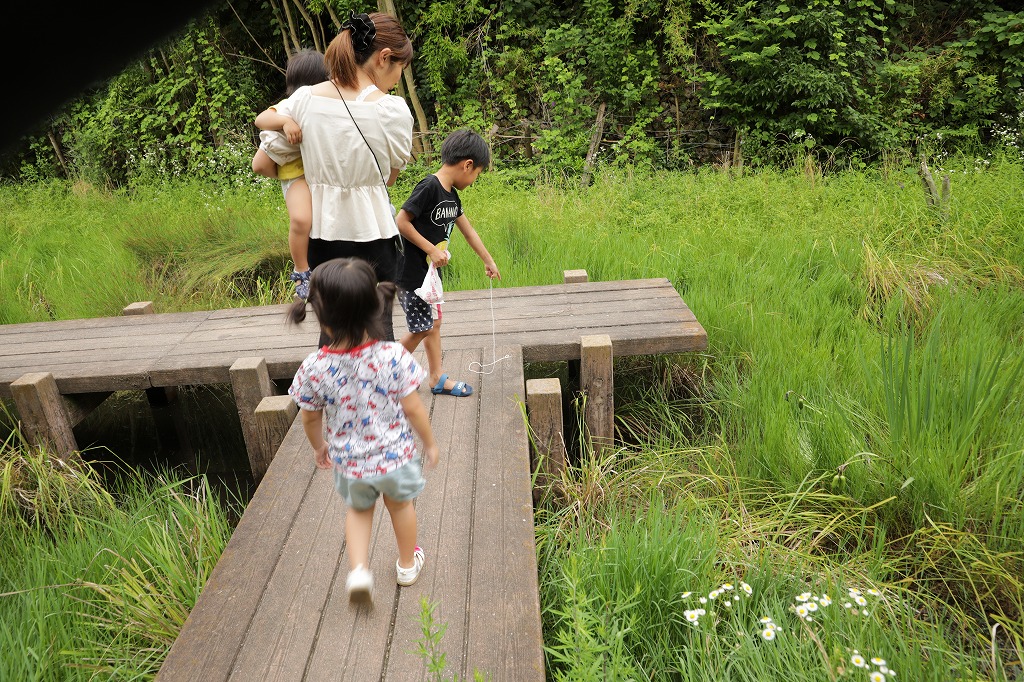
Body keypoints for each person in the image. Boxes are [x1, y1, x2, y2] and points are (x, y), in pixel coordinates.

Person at [286, 257, 439, 606]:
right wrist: (429, 443)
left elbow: (310, 418)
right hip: (396, 458)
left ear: (321, 316)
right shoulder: (393, 355)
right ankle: (406, 565)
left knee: (358, 512)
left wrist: (319, 446)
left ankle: (358, 572)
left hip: (351, 463)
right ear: (375, 307)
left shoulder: (314, 367)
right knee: (401, 507)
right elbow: (414, 408)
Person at [259, 11, 415, 342]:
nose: (397, 79)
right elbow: (390, 177)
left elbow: (266, 156)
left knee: (331, 335)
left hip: (323, 236)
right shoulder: (392, 110)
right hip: (374, 232)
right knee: (379, 334)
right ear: (384, 57)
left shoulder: (303, 100)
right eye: (400, 68)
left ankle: (327, 377)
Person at [395, 129, 500, 397]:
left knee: (435, 324)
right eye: (477, 174)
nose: (474, 181)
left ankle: (436, 378)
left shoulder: (452, 196)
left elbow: (468, 231)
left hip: (430, 276)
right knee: (422, 328)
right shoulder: (429, 187)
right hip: (412, 275)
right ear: (468, 165)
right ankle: (382, 371)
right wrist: (431, 249)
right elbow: (401, 221)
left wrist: (488, 260)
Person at [251, 48, 329, 300]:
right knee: (301, 220)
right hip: (296, 176)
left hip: (321, 175)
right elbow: (261, 119)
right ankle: (301, 270)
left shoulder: (328, 105)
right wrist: (286, 122)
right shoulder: (290, 105)